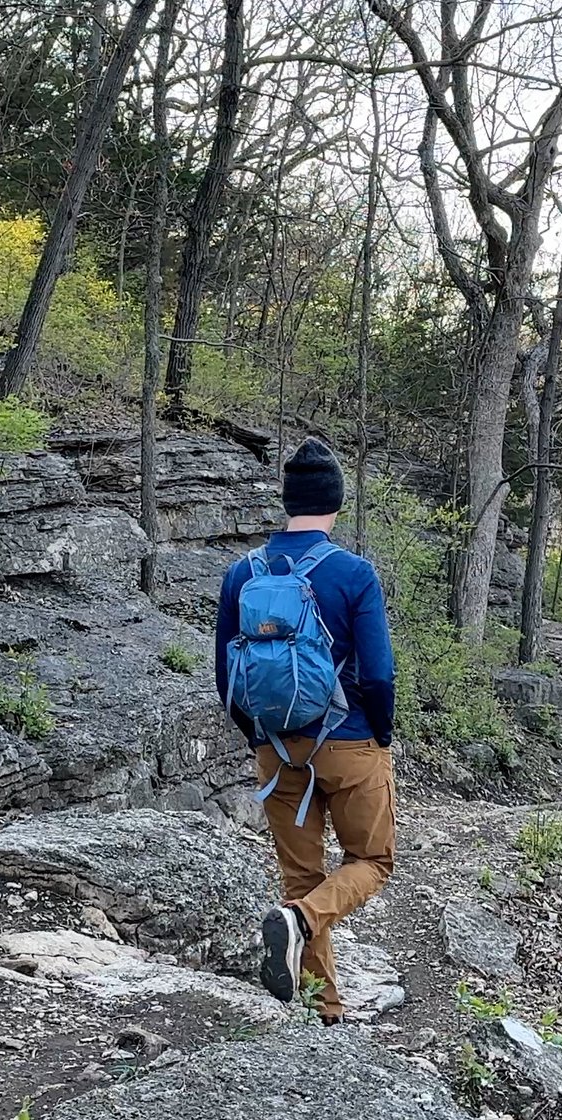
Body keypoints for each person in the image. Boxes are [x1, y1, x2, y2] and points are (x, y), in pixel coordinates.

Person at [214, 437, 397, 1024]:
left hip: (275, 748)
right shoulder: (353, 573)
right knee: (371, 861)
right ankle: (302, 928)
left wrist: (257, 737)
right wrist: (381, 737)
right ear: (336, 503)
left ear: (287, 500)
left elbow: (226, 674)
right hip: (351, 743)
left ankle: (326, 1011)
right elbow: (379, 673)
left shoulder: (243, 573)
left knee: (300, 876)